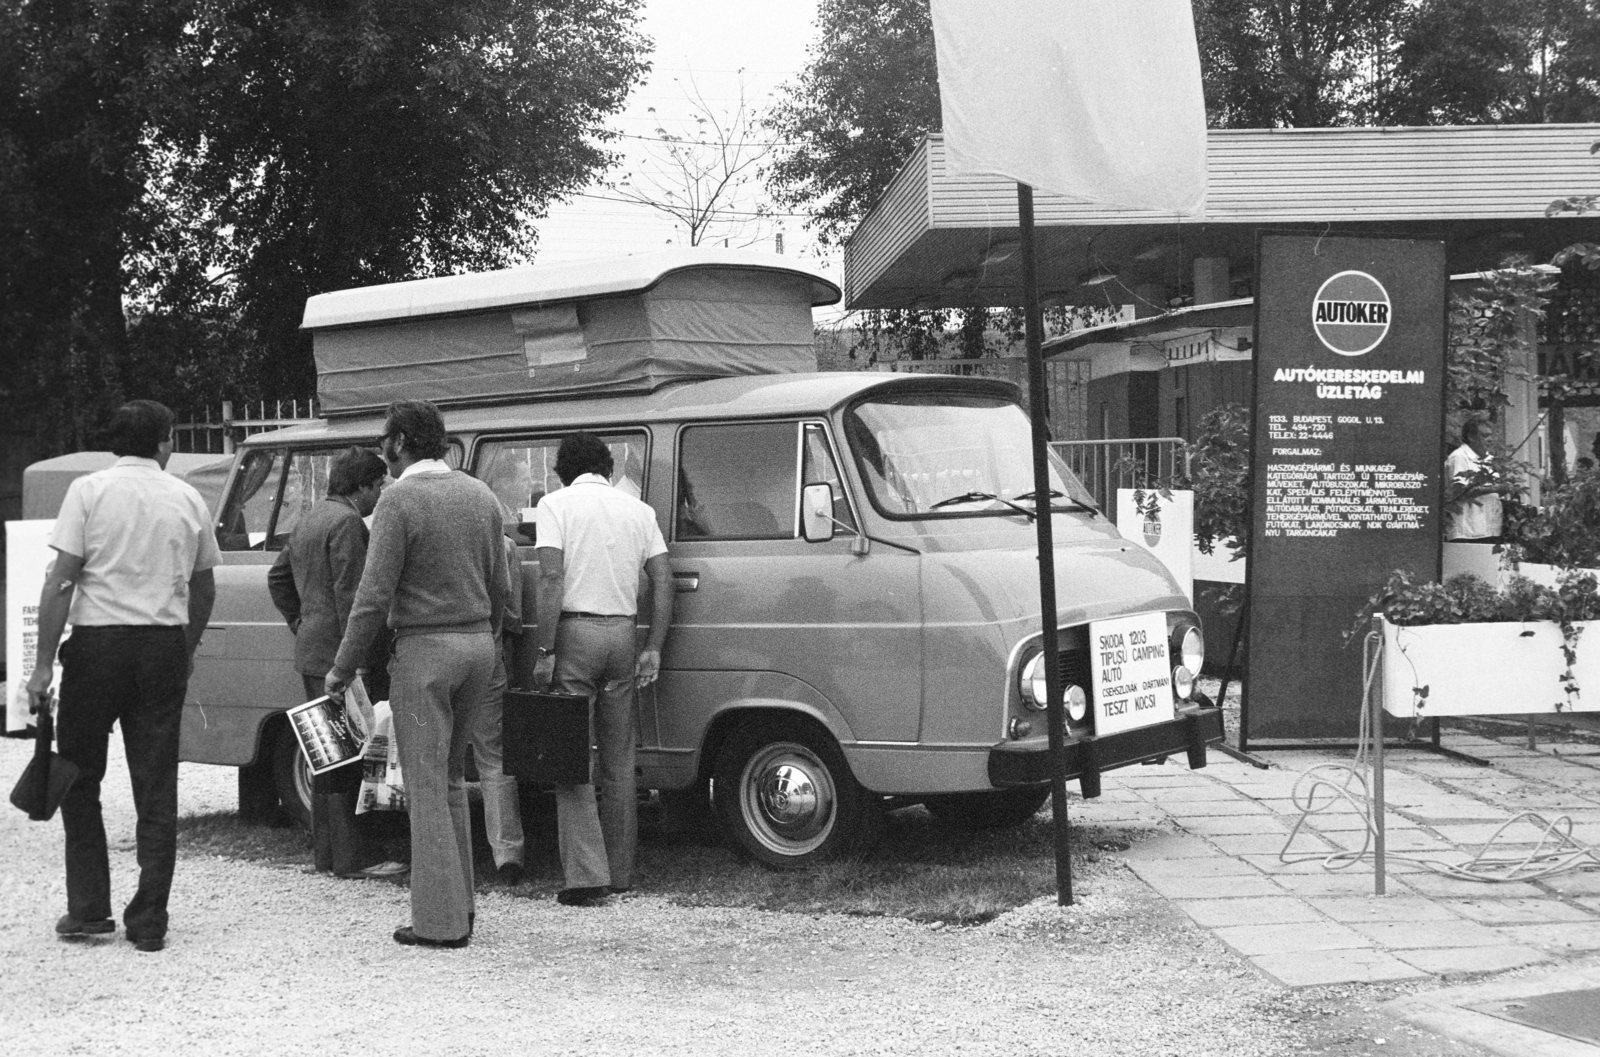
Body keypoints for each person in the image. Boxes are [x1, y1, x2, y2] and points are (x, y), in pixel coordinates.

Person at [24, 400, 220, 953]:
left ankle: (89, 908)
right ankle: (149, 919)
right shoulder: (186, 497)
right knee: (156, 785)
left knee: (80, 776)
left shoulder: (87, 492)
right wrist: (185, 646)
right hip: (160, 645)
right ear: (164, 442)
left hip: (97, 647)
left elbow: (61, 581)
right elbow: (205, 586)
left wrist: (42, 665)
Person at [325, 400, 510, 948]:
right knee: (452, 781)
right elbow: (501, 583)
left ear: (401, 441)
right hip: (479, 646)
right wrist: (489, 635)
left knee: (425, 788)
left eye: (387, 439)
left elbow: (373, 595)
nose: (385, 448)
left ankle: (439, 922)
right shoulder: (480, 493)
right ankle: (463, 906)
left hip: (426, 651)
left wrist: (343, 666)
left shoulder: (397, 500)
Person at [532, 432, 674, 906]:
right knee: (618, 760)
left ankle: (585, 876)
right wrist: (652, 644)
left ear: (562, 470)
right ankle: (621, 873)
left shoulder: (556, 506)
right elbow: (662, 578)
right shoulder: (640, 511)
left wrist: (545, 650)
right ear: (608, 468)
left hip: (574, 632)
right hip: (624, 633)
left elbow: (551, 577)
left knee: (571, 755)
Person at [267, 446, 398, 879]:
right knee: (351, 756)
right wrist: (354, 659)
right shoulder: (347, 523)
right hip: (343, 656)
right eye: (378, 485)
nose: (381, 494)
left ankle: (327, 855)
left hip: (312, 651)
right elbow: (352, 597)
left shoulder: (309, 517)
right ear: (361, 487)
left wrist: (301, 622)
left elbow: (278, 577)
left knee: (326, 755)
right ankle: (353, 857)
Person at [1444, 418, 1503, 542]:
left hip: (1490, 528)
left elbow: (1495, 490)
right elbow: (1458, 491)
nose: (1490, 440)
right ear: (1471, 437)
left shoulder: (1489, 460)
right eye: (1485, 436)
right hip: (1466, 531)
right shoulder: (1459, 457)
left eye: (1490, 435)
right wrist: (1494, 488)